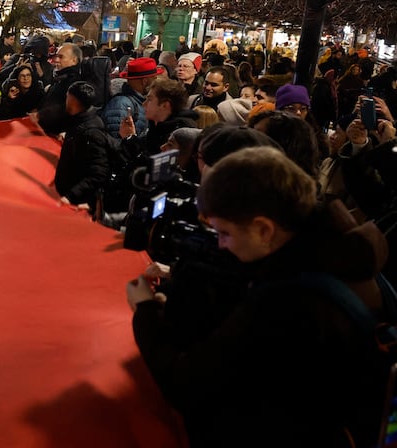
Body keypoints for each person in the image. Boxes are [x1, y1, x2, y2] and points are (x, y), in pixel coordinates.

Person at [127, 146, 388, 447]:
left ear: (264, 229)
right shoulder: (342, 250)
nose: (222, 245)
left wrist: (145, 309)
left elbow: (187, 385)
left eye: (224, 233)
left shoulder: (286, 303)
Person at [55, 81, 120, 213]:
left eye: (67, 96)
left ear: (72, 100)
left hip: (76, 203)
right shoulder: (81, 122)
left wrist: (70, 196)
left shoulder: (91, 133)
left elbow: (98, 172)